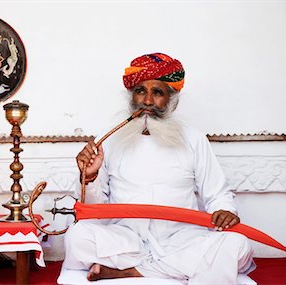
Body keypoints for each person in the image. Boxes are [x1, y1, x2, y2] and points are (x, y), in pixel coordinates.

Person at [63, 53, 256, 284]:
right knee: (77, 237)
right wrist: (90, 175)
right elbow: (94, 209)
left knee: (237, 243)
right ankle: (168, 268)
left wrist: (225, 211)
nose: (147, 101)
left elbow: (218, 195)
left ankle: (131, 272)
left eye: (157, 93)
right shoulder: (109, 141)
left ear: (172, 100)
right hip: (126, 239)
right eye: (141, 91)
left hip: (182, 238)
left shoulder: (193, 139)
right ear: (131, 96)